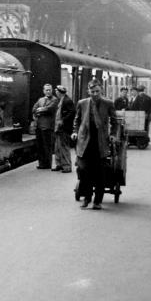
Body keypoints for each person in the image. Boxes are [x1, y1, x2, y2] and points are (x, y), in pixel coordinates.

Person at [71, 80, 118, 210]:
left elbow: (115, 122)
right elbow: (77, 120)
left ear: (101, 91)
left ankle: (97, 201)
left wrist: (113, 134)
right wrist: (75, 132)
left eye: (97, 91)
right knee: (84, 171)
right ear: (88, 91)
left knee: (100, 173)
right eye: (92, 92)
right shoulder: (82, 103)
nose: (95, 94)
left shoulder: (108, 103)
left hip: (100, 142)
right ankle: (87, 198)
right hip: (85, 142)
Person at [32, 84, 59, 170]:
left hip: (48, 126)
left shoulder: (55, 100)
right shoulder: (40, 100)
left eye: (49, 90)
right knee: (40, 146)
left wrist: (40, 110)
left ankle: (47, 164)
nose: (48, 91)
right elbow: (34, 109)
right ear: (43, 91)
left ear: (52, 90)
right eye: (46, 90)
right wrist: (40, 110)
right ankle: (41, 164)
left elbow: (50, 109)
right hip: (39, 126)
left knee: (47, 146)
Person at [52, 85, 75, 173]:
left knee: (64, 147)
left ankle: (67, 166)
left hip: (64, 128)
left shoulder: (67, 101)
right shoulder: (61, 100)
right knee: (57, 147)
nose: (56, 93)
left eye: (56, 91)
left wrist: (63, 120)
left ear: (59, 92)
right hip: (58, 127)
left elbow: (72, 112)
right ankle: (59, 164)